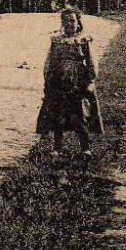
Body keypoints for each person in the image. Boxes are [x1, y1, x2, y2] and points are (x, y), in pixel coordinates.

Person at [36, 9, 98, 157]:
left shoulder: (83, 41)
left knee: (79, 116)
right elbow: (49, 62)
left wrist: (90, 80)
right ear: (62, 23)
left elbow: (91, 62)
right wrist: (48, 79)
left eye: (72, 20)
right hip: (59, 82)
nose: (69, 24)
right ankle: (57, 147)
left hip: (77, 83)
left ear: (78, 22)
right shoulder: (57, 41)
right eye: (66, 21)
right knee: (58, 116)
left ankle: (85, 147)